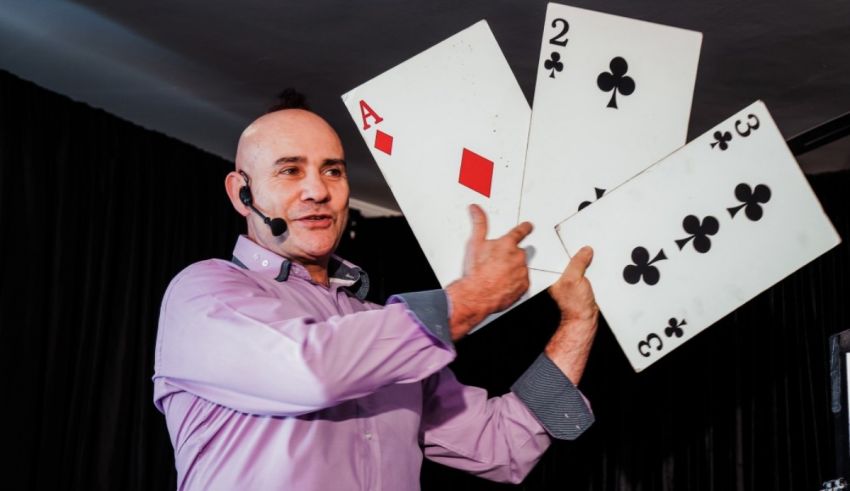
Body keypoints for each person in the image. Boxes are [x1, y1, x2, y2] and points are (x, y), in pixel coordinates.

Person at [152, 94, 599, 491]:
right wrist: (470, 298)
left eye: (333, 170)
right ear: (242, 193)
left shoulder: (383, 327)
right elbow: (314, 371)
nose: (318, 191)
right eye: (290, 170)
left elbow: (501, 447)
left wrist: (577, 324)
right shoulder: (203, 294)